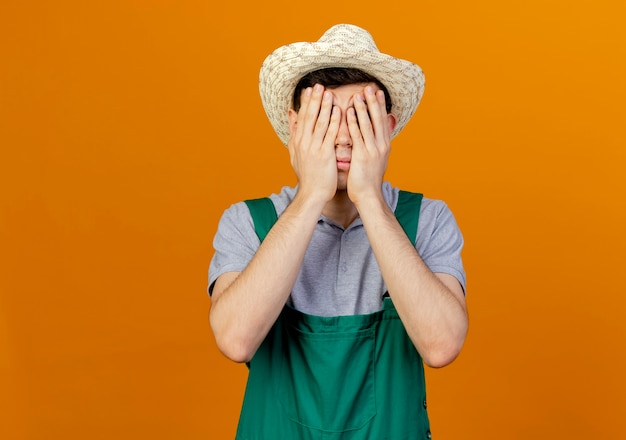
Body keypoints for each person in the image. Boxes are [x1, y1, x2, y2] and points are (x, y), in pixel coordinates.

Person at [208, 24, 468, 440]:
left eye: (361, 117)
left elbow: (441, 346)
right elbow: (235, 340)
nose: (344, 135)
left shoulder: (428, 220)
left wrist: (369, 196)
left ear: (388, 126)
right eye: (325, 116)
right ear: (295, 125)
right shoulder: (247, 223)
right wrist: (311, 194)